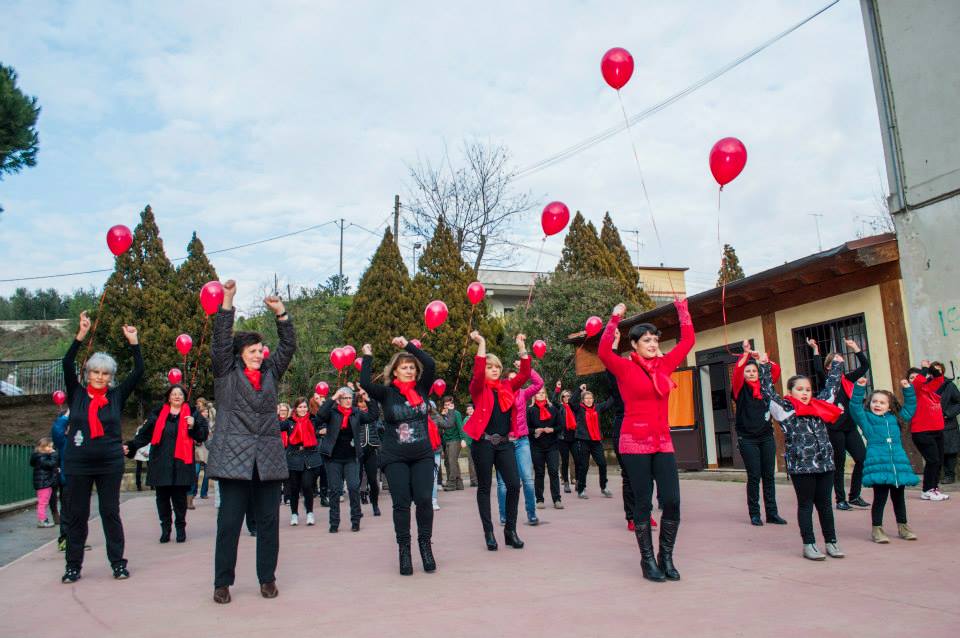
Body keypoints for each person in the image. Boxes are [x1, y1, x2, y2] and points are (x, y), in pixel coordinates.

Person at [206, 280, 295, 604]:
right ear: (240, 353)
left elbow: (288, 347)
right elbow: (218, 343)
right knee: (229, 524)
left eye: (261, 351)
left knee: (269, 523)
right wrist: (227, 301)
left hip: (268, 459)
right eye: (253, 350)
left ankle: (267, 579)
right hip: (234, 461)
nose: (259, 355)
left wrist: (282, 315)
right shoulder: (226, 374)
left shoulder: (271, 374)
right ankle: (222, 583)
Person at [597, 300, 693, 582]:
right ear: (635, 344)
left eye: (655, 339)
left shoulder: (665, 365)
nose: (652, 343)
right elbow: (603, 351)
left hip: (662, 442)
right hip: (634, 442)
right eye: (646, 340)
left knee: (672, 501)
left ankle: (666, 556)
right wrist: (614, 318)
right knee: (642, 503)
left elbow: (688, 340)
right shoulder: (625, 369)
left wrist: (682, 311)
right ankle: (647, 560)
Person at [59, 311, 143, 583]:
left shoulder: (116, 396)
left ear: (111, 377)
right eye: (95, 372)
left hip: (109, 463)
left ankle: (118, 563)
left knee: (110, 512)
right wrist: (80, 336)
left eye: (105, 373)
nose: (99, 377)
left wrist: (134, 342)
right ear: (88, 373)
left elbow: (139, 371)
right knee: (77, 515)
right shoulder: (78, 394)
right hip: (77, 463)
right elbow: (66, 361)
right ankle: (73, 566)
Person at [360, 337, 439, 575]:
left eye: (411, 367)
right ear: (394, 371)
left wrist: (408, 346)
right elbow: (364, 381)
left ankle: (425, 546)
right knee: (401, 504)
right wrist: (367, 356)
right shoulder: (386, 393)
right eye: (403, 367)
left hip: (423, 454)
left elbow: (431, 363)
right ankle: (404, 551)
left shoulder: (423, 388)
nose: (408, 370)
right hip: (395, 457)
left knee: (425, 499)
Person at [760, 353, 845, 561]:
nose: (805, 393)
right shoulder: (784, 410)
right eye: (800, 389)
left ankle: (831, 542)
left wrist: (837, 365)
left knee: (825, 504)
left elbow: (832, 387)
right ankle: (809, 544)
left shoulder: (820, 406)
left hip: (825, 464)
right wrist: (763, 368)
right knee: (806, 505)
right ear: (790, 392)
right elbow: (768, 392)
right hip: (802, 466)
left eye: (807, 389)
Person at [465, 331, 531, 551]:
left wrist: (522, 347)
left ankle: (510, 531)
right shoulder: (478, 388)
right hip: (483, 444)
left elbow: (524, 374)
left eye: (497, 367)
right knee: (484, 488)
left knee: (514, 484)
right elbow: (476, 373)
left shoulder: (506, 387)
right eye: (490, 366)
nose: (494, 370)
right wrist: (482, 343)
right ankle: (489, 532)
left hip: (504, 443)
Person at [125, 384, 209, 543]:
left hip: (181, 463)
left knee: (179, 499)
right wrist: (131, 446)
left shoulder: (192, 413)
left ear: (184, 397)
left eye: (180, 394)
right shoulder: (157, 414)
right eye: (174, 394)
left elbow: (202, 436)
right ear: (168, 397)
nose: (177, 396)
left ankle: (180, 527)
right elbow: (144, 435)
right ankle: (165, 528)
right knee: (162, 498)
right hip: (160, 462)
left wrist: (194, 425)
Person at [848, 377, 919, 542]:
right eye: (874, 401)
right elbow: (854, 408)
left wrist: (908, 389)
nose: (877, 405)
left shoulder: (895, 419)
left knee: (899, 499)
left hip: (897, 464)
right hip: (878, 465)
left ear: (889, 407)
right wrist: (859, 388)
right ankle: (877, 530)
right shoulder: (866, 419)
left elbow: (910, 409)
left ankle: (904, 527)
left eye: (882, 402)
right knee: (880, 499)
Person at [808, 338, 871, 510]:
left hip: (850, 427)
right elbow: (818, 368)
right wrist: (815, 349)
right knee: (839, 462)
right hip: (834, 428)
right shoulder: (827, 382)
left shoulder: (848, 379)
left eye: (841, 359)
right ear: (830, 366)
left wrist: (856, 348)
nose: (840, 360)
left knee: (861, 458)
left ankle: (855, 495)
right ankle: (840, 499)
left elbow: (865, 366)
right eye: (836, 360)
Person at [732, 341, 787, 526]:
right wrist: (746, 355)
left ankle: (772, 513)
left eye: (754, 371)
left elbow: (775, 372)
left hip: (766, 436)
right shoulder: (740, 389)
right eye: (748, 371)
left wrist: (763, 361)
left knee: (769, 476)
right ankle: (754, 513)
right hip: (747, 438)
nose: (751, 373)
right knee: (754, 476)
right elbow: (737, 373)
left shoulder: (765, 388)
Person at [317, 386, 379, 533]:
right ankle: (334, 523)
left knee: (353, 488)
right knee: (335, 490)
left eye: (350, 398)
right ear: (339, 400)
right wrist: (333, 397)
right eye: (344, 398)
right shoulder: (332, 412)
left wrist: (367, 398)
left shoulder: (356, 413)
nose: (348, 400)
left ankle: (356, 520)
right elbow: (320, 415)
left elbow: (373, 416)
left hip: (352, 457)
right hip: (333, 458)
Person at [494, 362, 543, 526]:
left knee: (528, 479)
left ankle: (532, 514)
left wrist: (527, 369)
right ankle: (504, 515)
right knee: (502, 483)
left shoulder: (523, 393)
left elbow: (539, 384)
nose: (514, 382)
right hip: (504, 442)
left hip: (522, 441)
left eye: (516, 379)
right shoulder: (500, 394)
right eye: (510, 379)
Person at [908, 361, 950, 500]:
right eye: (912, 377)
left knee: (938, 461)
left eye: (917, 376)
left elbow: (939, 379)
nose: (915, 379)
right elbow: (918, 382)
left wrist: (932, 368)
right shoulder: (913, 391)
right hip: (922, 432)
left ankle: (934, 488)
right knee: (932, 460)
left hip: (937, 431)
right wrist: (924, 369)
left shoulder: (929, 389)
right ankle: (927, 489)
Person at [281, 397, 324, 527]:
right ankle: (294, 514)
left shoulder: (313, 420)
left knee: (307, 486)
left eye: (305, 407)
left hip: (309, 457)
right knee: (294, 488)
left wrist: (322, 402)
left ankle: (310, 512)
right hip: (294, 457)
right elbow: (274, 426)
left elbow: (325, 416)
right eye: (300, 407)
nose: (303, 409)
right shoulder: (289, 422)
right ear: (295, 409)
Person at [568, 383, 613, 500]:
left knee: (602, 463)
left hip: (596, 441)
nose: (589, 400)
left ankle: (604, 486)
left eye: (590, 398)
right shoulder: (579, 408)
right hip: (583, 441)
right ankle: (581, 489)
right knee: (584, 466)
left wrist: (616, 388)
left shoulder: (597, 407)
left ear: (593, 399)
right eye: (586, 398)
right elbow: (571, 402)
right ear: (583, 400)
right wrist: (579, 390)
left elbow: (609, 403)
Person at [527, 387, 562, 509]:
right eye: (538, 393)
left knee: (553, 472)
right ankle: (539, 500)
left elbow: (561, 425)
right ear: (534, 396)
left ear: (546, 395)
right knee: (539, 473)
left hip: (552, 445)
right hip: (536, 446)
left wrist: (552, 429)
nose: (541, 395)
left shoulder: (553, 409)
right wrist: (535, 430)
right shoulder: (530, 410)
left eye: (543, 393)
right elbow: (526, 429)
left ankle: (557, 499)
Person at [353, 385, 383, 516]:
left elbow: (376, 413)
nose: (362, 404)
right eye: (360, 402)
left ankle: (375, 505)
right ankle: (357, 507)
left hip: (371, 450)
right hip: (358, 450)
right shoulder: (354, 415)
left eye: (364, 402)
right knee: (357, 480)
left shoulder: (373, 415)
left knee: (373, 480)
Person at [931, 362, 960, 484]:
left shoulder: (949, 385)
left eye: (939, 370)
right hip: (931, 424)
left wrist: (947, 413)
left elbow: (958, 402)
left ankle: (949, 475)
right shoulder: (927, 385)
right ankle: (936, 475)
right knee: (935, 451)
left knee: (950, 451)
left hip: (947, 424)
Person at [50, 410, 71, 551]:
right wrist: (68, 414)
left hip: (83, 480)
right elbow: (57, 429)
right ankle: (64, 539)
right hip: (67, 481)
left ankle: (76, 539)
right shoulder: (63, 441)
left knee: (80, 513)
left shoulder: (82, 439)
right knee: (67, 512)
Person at [439, 396, 466, 491]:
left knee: (452, 461)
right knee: (449, 462)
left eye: (449, 404)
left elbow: (460, 427)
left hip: (455, 440)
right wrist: (442, 416)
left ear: (452, 404)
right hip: (447, 441)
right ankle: (459, 484)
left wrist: (463, 439)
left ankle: (451, 483)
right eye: (445, 404)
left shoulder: (456, 413)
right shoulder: (443, 415)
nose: (447, 406)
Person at [553, 383, 576, 494]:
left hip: (574, 437)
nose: (566, 398)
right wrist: (557, 389)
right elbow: (552, 401)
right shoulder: (559, 407)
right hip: (562, 438)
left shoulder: (574, 407)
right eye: (564, 396)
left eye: (568, 396)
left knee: (577, 460)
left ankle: (577, 480)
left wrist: (581, 390)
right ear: (561, 398)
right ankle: (566, 482)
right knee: (565, 461)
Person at [30, 437, 59, 528]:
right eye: (49, 447)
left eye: (51, 447)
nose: (51, 449)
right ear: (42, 447)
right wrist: (54, 454)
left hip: (44, 482)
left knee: (43, 502)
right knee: (43, 503)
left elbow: (48, 467)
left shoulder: (40, 457)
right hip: (44, 483)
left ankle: (43, 519)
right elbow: (51, 464)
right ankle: (42, 521)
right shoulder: (41, 457)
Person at [192, 397, 215, 501]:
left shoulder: (211, 423)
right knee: (195, 472)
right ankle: (192, 491)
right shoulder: (195, 420)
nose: (205, 413)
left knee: (207, 472)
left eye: (206, 411)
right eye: (198, 403)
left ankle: (204, 492)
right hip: (198, 448)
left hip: (208, 448)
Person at [463, 403, 477, 487]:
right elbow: (465, 432)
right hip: (470, 443)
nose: (470, 410)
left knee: (479, 462)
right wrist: (466, 441)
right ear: (466, 411)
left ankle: (479, 478)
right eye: (468, 409)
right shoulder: (465, 420)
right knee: (471, 462)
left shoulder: (477, 417)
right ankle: (473, 480)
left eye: (471, 409)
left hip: (478, 443)